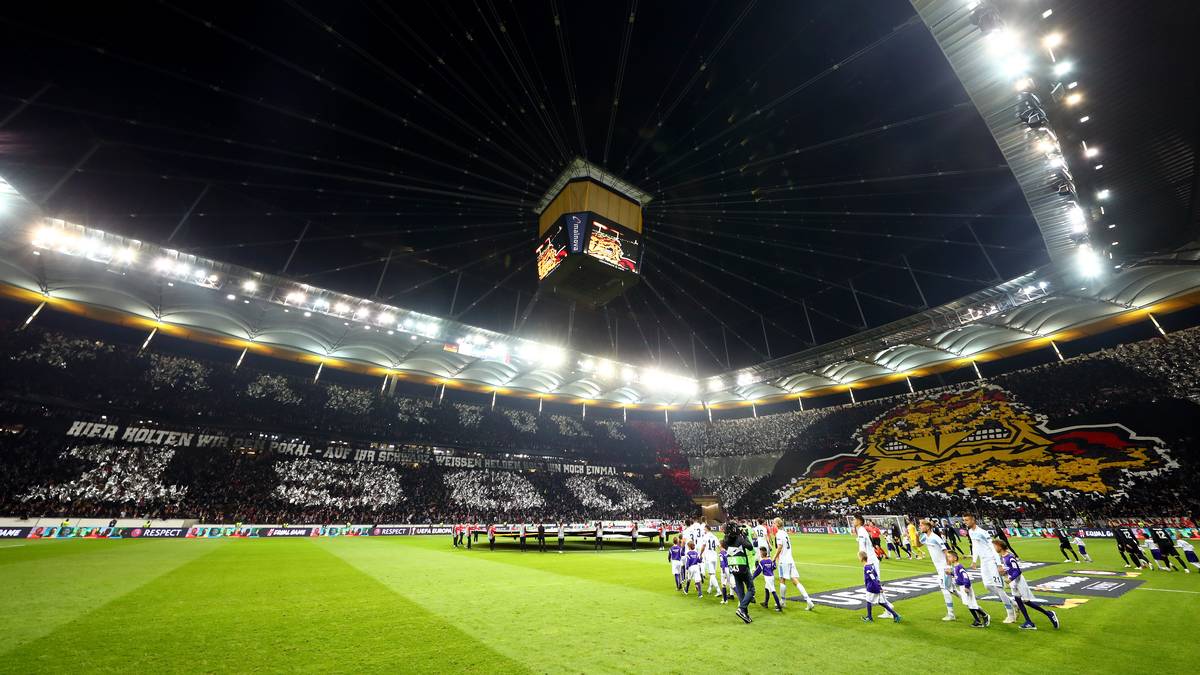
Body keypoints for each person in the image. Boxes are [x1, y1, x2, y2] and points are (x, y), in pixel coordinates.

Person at [995, 539, 1059, 631]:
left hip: (1019, 581)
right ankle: (1029, 622)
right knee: (1018, 601)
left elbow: (1017, 571)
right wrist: (1004, 573)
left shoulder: (1010, 557)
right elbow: (1010, 569)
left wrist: (1010, 579)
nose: (994, 548)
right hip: (1013, 583)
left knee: (1027, 601)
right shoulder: (1003, 557)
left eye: (995, 546)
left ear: (1000, 546)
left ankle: (1049, 614)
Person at [964, 513, 1016, 624]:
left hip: (992, 561)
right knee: (988, 586)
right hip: (983, 562)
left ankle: (1011, 614)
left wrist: (999, 564)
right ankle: (1013, 603)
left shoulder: (983, 532)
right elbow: (975, 546)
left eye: (967, 520)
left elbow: (993, 548)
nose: (965, 522)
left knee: (998, 587)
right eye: (964, 520)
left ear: (973, 520)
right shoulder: (970, 532)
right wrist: (974, 560)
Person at [852, 514, 891, 618]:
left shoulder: (861, 531)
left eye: (854, 519)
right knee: (875, 585)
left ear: (859, 521)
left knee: (876, 584)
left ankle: (889, 611)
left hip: (870, 561)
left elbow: (862, 549)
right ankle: (888, 608)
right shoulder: (862, 531)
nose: (853, 521)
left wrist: (863, 561)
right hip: (870, 560)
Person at [772, 517, 814, 610]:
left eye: (774, 523)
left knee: (782, 580)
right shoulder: (785, 533)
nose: (773, 525)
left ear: (777, 524)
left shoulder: (779, 534)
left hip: (784, 560)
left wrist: (774, 558)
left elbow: (779, 547)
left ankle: (782, 601)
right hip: (790, 559)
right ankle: (809, 601)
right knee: (795, 580)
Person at [919, 519, 956, 622]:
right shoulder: (925, 537)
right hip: (939, 568)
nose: (920, 527)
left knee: (945, 589)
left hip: (944, 568)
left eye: (921, 525)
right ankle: (973, 606)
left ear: (927, 527)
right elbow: (918, 545)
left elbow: (946, 551)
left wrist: (948, 566)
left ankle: (951, 614)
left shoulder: (935, 538)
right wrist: (916, 536)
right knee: (953, 590)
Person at [724, 519, 756, 623]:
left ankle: (745, 614)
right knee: (751, 589)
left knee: (741, 591)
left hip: (732, 567)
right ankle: (742, 609)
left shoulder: (726, 540)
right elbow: (750, 547)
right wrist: (744, 536)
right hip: (742, 566)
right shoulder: (739, 539)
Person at [946, 549, 989, 628]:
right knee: (969, 604)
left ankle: (985, 616)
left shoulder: (959, 566)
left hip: (966, 587)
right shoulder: (955, 567)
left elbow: (965, 577)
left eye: (949, 557)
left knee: (972, 604)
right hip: (962, 587)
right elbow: (958, 576)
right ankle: (977, 620)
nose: (948, 558)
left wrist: (966, 586)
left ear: (955, 558)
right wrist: (951, 573)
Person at [860, 551, 901, 624]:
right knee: (880, 602)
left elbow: (873, 578)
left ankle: (869, 617)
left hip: (872, 587)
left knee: (868, 601)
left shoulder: (867, 567)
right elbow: (876, 576)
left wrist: (878, 588)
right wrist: (879, 586)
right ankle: (895, 615)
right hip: (875, 585)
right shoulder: (871, 565)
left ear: (861, 558)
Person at [752, 547, 783, 612]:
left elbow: (757, 571)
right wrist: (773, 562)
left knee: (773, 591)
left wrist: (752, 578)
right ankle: (765, 603)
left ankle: (779, 607)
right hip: (771, 576)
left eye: (760, 552)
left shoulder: (762, 562)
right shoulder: (770, 560)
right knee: (766, 589)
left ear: (762, 553)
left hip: (768, 578)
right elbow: (774, 567)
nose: (759, 554)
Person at [701, 526, 722, 598]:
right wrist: (722, 552)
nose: (704, 530)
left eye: (704, 529)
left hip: (708, 557)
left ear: (707, 529)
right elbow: (719, 546)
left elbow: (703, 546)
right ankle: (710, 588)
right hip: (715, 557)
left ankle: (718, 590)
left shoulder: (705, 536)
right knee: (713, 574)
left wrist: (700, 554)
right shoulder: (714, 536)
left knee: (712, 574)